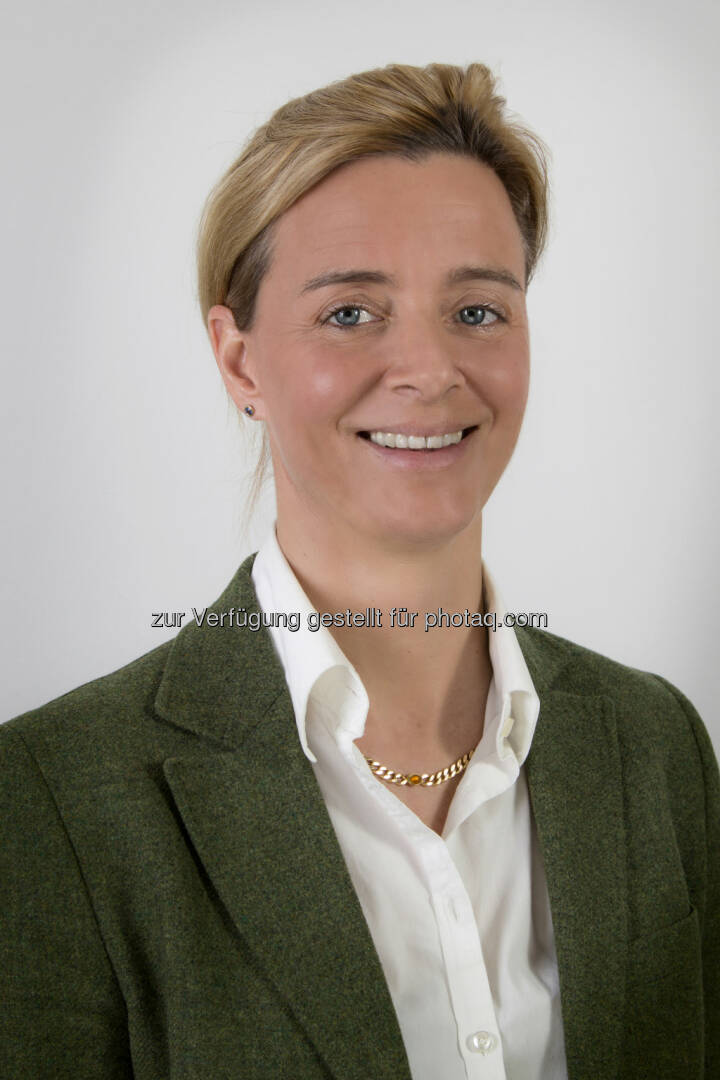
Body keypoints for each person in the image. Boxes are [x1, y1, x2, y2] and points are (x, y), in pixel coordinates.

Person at [1, 61, 717, 1080]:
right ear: (240, 361)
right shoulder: (52, 800)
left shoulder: (656, 743)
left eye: (478, 310)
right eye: (350, 313)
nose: (429, 371)